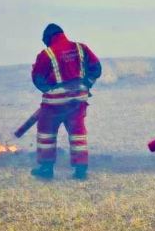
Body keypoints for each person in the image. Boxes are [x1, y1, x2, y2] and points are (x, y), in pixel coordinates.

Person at [30, 23, 102, 181]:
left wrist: (49, 90)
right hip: (78, 100)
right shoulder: (81, 48)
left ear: (48, 39)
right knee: (77, 133)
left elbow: (37, 78)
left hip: (54, 104)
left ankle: (46, 168)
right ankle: (81, 168)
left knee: (46, 132)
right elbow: (96, 68)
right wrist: (86, 84)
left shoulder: (46, 54)